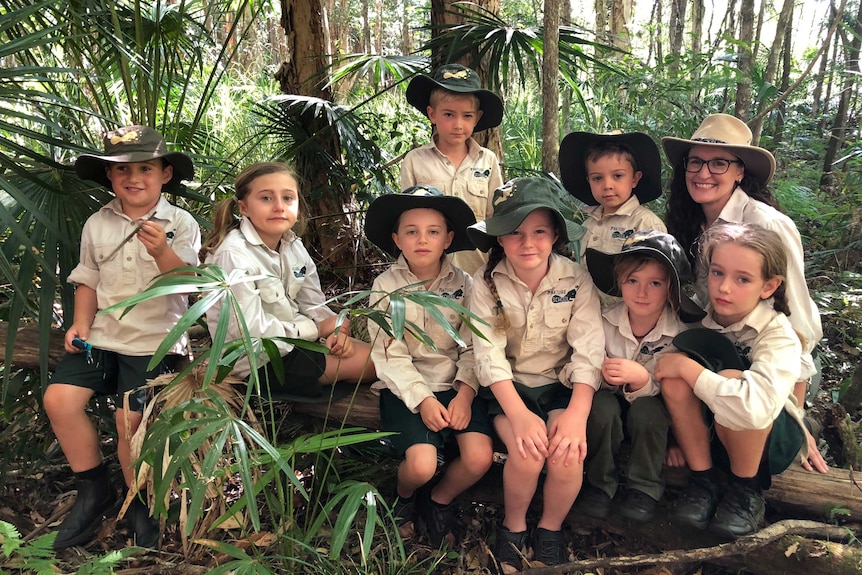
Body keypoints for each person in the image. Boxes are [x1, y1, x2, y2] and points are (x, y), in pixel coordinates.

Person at [44, 125, 201, 549]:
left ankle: (142, 501)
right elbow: (88, 278)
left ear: (165, 174)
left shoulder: (180, 223)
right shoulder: (98, 222)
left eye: (145, 168)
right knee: (59, 399)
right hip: (103, 337)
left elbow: (190, 283)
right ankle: (95, 490)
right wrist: (80, 323)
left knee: (129, 422)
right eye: (122, 170)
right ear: (110, 177)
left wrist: (160, 251)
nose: (134, 178)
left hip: (157, 341)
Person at [662, 114, 825, 474]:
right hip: (722, 352)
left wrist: (795, 417)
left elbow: (798, 322)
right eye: (696, 161)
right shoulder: (692, 221)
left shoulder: (765, 223)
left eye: (719, 162)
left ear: (740, 172)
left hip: (769, 362)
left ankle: (754, 472)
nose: (704, 173)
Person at [467, 177, 605, 569]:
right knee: (527, 453)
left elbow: (588, 349)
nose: (527, 243)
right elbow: (488, 354)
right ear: (499, 239)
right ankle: (512, 528)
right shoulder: (485, 281)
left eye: (539, 232)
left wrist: (577, 416)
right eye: (514, 233)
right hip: (507, 388)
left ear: (556, 235)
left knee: (566, 454)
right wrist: (519, 413)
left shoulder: (576, 278)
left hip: (559, 388)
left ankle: (549, 528)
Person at [655, 223, 823, 539]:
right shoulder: (699, 321)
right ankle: (702, 480)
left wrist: (689, 370)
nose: (724, 288)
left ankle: (746, 492)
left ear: (769, 286)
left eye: (742, 279)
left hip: (768, 444)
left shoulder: (778, 335)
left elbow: (753, 408)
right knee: (675, 381)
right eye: (717, 273)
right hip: (713, 440)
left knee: (731, 379)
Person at [364, 185, 493, 547]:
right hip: (408, 387)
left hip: (457, 385)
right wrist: (422, 400)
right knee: (421, 465)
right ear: (396, 239)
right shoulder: (386, 286)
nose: (423, 239)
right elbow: (389, 353)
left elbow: (474, 345)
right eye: (411, 231)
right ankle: (405, 497)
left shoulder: (465, 285)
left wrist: (465, 394)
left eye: (433, 231)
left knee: (479, 458)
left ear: (449, 238)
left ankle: (438, 500)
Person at [200, 162, 373, 401]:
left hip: (294, 345)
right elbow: (250, 335)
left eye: (288, 198)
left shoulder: (292, 245)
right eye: (266, 198)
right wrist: (315, 330)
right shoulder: (233, 255)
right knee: (375, 362)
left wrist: (334, 331)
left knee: (376, 355)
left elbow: (313, 303)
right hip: (258, 362)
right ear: (244, 207)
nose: (279, 207)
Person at [578, 231, 705, 523]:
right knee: (600, 407)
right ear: (619, 283)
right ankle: (599, 486)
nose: (642, 293)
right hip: (610, 407)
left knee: (649, 410)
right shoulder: (604, 321)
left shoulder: (682, 333)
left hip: (657, 414)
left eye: (655, 283)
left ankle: (644, 488)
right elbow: (581, 365)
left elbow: (684, 397)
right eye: (632, 281)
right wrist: (606, 378)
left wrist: (642, 381)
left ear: (671, 288)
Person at [402, 63, 504, 276]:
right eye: (449, 115)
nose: (458, 124)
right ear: (432, 114)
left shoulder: (488, 161)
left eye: (467, 116)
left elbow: (496, 217)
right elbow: (407, 219)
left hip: (478, 270)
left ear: (477, 117)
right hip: (430, 273)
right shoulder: (415, 161)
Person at [559, 130, 666, 263]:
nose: (607, 185)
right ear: (589, 181)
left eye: (617, 176)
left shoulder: (645, 223)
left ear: (634, 179)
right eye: (597, 178)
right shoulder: (587, 224)